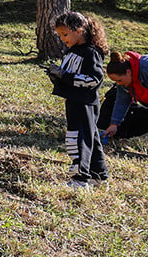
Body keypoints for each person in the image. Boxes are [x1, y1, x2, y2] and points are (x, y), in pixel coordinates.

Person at [47, 12, 110, 188]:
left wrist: (65, 75)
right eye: (60, 35)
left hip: (85, 103)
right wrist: (56, 75)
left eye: (65, 34)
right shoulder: (72, 51)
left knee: (79, 138)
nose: (62, 38)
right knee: (91, 137)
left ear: (80, 30)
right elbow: (69, 77)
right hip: (74, 101)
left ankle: (80, 179)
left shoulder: (90, 53)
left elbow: (93, 79)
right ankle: (99, 175)